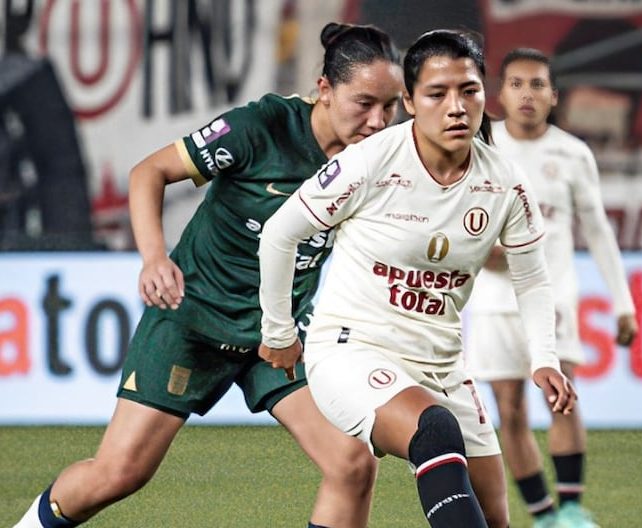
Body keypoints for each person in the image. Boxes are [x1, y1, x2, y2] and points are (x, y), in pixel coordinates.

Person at [13, 22, 404, 528]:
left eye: (390, 106)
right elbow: (147, 173)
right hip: (193, 320)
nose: (377, 121)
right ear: (324, 91)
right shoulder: (259, 127)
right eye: (364, 103)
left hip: (279, 336)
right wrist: (155, 258)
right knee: (118, 474)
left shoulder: (380, 160)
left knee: (352, 464)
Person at [257, 30, 578, 528]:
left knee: (494, 517)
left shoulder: (504, 182)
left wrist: (544, 360)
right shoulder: (369, 163)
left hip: (443, 367)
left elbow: (532, 279)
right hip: (351, 350)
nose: (456, 107)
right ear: (408, 101)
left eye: (468, 91)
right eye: (437, 93)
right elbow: (279, 233)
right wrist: (279, 333)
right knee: (434, 431)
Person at [463, 48, 638, 528]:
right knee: (510, 409)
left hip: (555, 297)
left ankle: (573, 510)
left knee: (563, 398)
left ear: (553, 95)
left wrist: (624, 305)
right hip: (496, 302)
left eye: (537, 84)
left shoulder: (573, 153)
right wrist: (481, 253)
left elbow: (598, 230)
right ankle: (543, 517)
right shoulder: (482, 146)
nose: (527, 94)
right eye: (516, 84)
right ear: (500, 94)